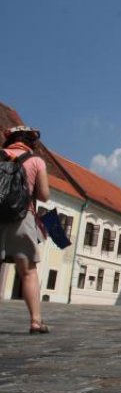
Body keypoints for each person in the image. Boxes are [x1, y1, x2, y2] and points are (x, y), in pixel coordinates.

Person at [0, 126, 50, 333]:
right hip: (22, 217)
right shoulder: (36, 161)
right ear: (30, 142)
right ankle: (35, 321)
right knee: (28, 271)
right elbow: (45, 195)